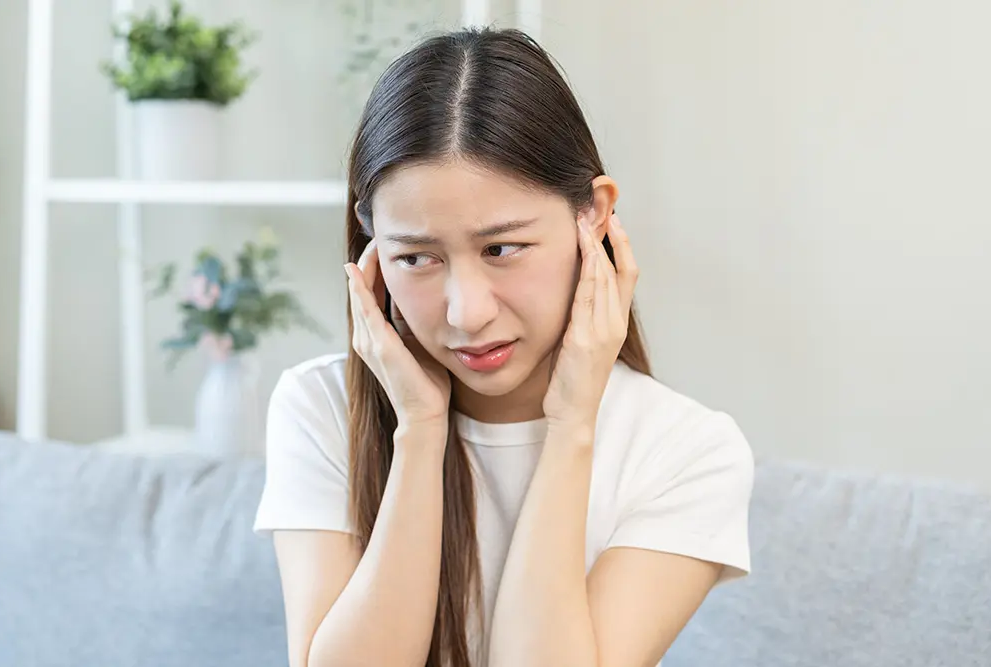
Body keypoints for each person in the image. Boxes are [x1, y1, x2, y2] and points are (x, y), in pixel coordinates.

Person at [252, 26, 754, 667]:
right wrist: (420, 431)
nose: (467, 311)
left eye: (501, 249)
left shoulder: (687, 451)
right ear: (370, 246)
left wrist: (572, 426)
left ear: (594, 214)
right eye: (417, 257)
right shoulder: (318, 409)